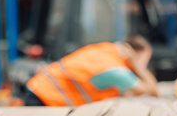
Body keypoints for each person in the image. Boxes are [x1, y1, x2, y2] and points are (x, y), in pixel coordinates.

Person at [21, 35, 159, 106]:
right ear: (134, 54)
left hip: (39, 91)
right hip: (45, 99)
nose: (145, 64)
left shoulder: (107, 50)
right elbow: (153, 92)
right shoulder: (116, 70)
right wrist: (138, 66)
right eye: (145, 60)